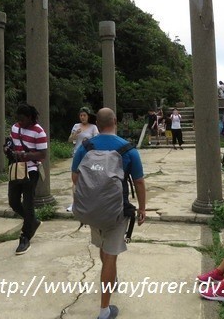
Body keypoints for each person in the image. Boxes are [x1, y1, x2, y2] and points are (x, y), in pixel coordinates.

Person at [72, 108, 147, 319]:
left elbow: (75, 177)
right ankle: (104, 310)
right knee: (111, 257)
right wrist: (142, 208)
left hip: (91, 210)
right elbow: (139, 182)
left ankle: (111, 279)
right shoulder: (128, 149)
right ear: (114, 121)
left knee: (103, 248)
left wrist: (94, 193)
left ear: (97, 122)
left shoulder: (86, 147)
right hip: (116, 211)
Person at [5, 103, 47, 255]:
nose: (19, 122)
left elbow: (42, 154)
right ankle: (32, 221)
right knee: (13, 202)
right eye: (18, 119)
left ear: (30, 118)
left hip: (31, 170)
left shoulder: (39, 132)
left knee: (28, 203)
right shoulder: (15, 127)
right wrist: (8, 146)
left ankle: (25, 237)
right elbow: (12, 141)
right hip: (16, 169)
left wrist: (25, 155)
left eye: (22, 119)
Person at [67, 107, 99, 211]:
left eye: (84, 115)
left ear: (88, 116)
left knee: (89, 178)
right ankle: (75, 203)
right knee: (75, 179)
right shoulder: (76, 126)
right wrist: (75, 134)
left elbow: (96, 140)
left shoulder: (93, 127)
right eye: (81, 115)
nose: (82, 117)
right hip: (77, 154)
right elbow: (69, 139)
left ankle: (89, 202)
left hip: (89, 156)